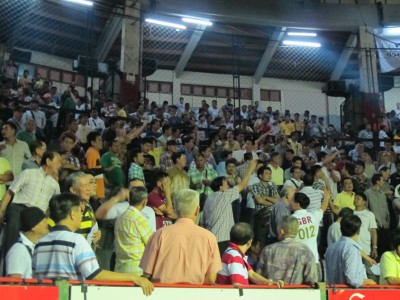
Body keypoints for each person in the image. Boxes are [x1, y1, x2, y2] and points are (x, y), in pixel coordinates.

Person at [32, 193, 153, 295]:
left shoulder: (40, 243)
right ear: (72, 214)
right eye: (80, 211)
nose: (82, 215)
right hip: (68, 295)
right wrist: (134, 277)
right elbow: (95, 275)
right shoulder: (76, 240)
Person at [140, 189, 222, 284]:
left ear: (174, 209)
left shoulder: (158, 235)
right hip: (196, 293)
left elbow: (146, 275)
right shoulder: (210, 238)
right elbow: (211, 279)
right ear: (197, 210)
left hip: (162, 294)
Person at [0, 151, 61, 254]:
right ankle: (10, 255)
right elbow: (10, 192)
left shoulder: (55, 185)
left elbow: (53, 207)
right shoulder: (28, 173)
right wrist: (1, 211)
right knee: (13, 224)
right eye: (58, 161)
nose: (60, 165)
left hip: (38, 214)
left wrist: (46, 217)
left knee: (47, 232)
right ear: (48, 161)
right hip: (20, 208)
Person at [202, 160, 257, 254]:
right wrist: (251, 168)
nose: (228, 186)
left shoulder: (209, 198)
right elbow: (242, 185)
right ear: (221, 187)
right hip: (223, 239)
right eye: (226, 184)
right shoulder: (225, 195)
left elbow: (203, 222)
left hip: (211, 238)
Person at [257, 215, 318, 284]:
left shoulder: (268, 250)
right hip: (297, 293)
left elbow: (258, 276)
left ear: (281, 231)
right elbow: (312, 280)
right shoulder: (305, 251)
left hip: (271, 293)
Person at [216, 222, 281, 286]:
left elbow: (252, 274)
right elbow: (239, 286)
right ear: (249, 242)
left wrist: (268, 282)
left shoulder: (233, 252)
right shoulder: (235, 256)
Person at [325, 215, 377, 287]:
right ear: (358, 230)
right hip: (350, 294)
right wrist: (369, 281)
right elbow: (353, 280)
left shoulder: (330, 248)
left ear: (341, 229)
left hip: (333, 293)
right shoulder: (352, 249)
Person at [114, 187, 152, 275]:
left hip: (119, 270)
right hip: (136, 271)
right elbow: (151, 244)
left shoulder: (120, 218)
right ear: (144, 202)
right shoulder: (140, 220)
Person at [6, 207, 49, 278]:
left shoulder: (37, 247)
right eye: (43, 220)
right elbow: (14, 282)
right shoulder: (18, 250)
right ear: (33, 226)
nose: (47, 223)